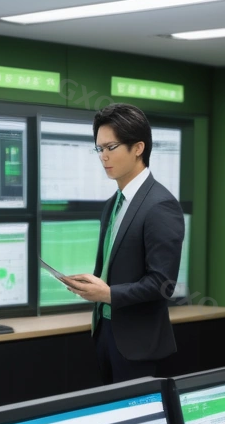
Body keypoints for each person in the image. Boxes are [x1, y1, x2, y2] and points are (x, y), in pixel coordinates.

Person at [66, 103, 185, 383]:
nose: (103, 157)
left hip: (138, 345)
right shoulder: (112, 204)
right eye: (99, 149)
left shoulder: (160, 205)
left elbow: (162, 283)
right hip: (105, 334)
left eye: (111, 147)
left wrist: (108, 294)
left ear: (138, 148)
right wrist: (90, 285)